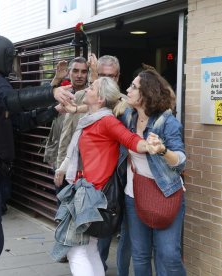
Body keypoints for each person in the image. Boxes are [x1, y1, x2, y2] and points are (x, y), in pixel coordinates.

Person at [0, 34, 74, 276]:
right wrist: (50, 92)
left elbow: (19, 121)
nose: (13, 64)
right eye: (11, 59)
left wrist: (53, 110)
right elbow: (9, 101)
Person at [52, 77, 155, 276]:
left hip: (93, 195)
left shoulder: (106, 121)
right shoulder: (92, 119)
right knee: (89, 249)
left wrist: (150, 146)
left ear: (99, 99)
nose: (87, 89)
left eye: (91, 88)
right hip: (86, 192)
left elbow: (131, 139)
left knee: (76, 251)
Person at [58, 54, 131, 275]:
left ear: (118, 77)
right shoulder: (92, 108)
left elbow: (128, 138)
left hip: (106, 188)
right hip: (86, 185)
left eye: (109, 76)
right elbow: (76, 129)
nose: (104, 80)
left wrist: (154, 147)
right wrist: (63, 166)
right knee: (91, 247)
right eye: (100, 76)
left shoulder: (122, 109)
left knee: (79, 248)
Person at [119, 69, 186, 275]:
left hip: (166, 193)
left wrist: (163, 150)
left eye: (133, 87)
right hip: (134, 194)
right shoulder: (128, 117)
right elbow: (104, 99)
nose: (128, 90)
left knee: (168, 254)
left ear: (146, 93)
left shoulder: (167, 122)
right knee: (140, 255)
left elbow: (181, 161)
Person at [44, 57, 88, 204]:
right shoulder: (62, 91)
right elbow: (44, 106)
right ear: (69, 72)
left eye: (84, 71)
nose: (79, 75)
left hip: (81, 164)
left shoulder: (92, 95)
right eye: (75, 71)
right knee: (62, 206)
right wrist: (56, 79)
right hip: (59, 158)